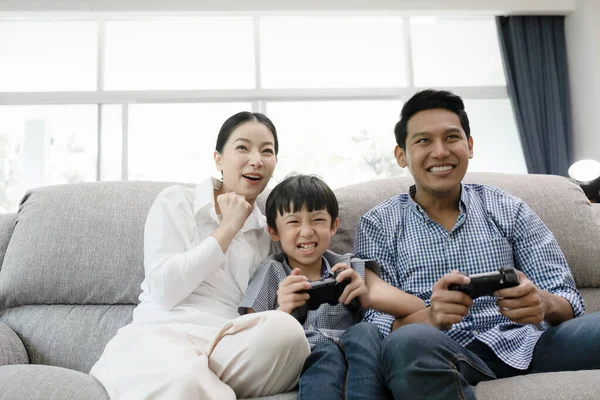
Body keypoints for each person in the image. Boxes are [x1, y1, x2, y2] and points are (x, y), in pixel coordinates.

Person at [354, 89, 600, 400]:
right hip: (443, 350)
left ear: (469, 146)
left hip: (532, 343)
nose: (440, 151)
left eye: (452, 137)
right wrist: (430, 317)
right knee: (407, 343)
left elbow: (567, 297)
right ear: (401, 155)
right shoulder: (378, 224)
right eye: (423, 141)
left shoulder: (509, 208)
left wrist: (542, 303)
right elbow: (375, 326)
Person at [90, 112, 310, 400]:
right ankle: (195, 383)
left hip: (228, 342)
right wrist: (228, 227)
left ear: (274, 164)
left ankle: (202, 382)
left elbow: (261, 310)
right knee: (184, 379)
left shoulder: (269, 231)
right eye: (243, 147)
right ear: (218, 159)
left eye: (266, 151)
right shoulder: (177, 202)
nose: (256, 159)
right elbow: (164, 290)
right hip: (164, 334)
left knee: (288, 332)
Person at [239, 174, 426, 400]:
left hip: (357, 353)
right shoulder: (272, 271)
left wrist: (366, 294)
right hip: (308, 354)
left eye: (317, 220)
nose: (307, 231)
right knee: (326, 353)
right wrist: (282, 313)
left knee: (365, 332)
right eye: (293, 222)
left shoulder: (348, 266)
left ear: (334, 226)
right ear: (274, 231)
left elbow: (417, 307)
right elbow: (249, 339)